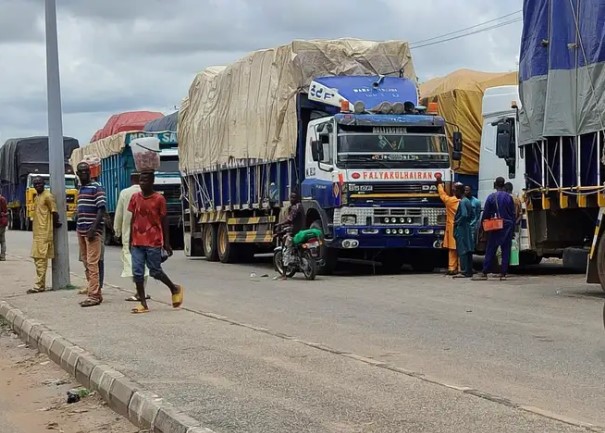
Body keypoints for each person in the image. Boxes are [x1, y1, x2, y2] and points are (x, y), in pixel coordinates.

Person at [128, 171, 183, 314]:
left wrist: (167, 242)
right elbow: (133, 218)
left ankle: (174, 288)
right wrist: (130, 239)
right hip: (137, 241)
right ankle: (143, 303)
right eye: (141, 180)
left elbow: (164, 220)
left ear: (152, 181)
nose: (142, 183)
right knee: (137, 272)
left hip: (153, 241)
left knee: (155, 271)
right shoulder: (135, 198)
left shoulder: (159, 199)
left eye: (145, 180)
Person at [114, 173, 150, 302]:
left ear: (131, 180)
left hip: (129, 233)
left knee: (132, 262)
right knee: (144, 262)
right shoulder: (149, 192)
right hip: (147, 233)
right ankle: (143, 291)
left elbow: (119, 214)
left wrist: (116, 230)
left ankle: (138, 292)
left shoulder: (125, 193)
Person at [76, 162, 106, 307]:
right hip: (81, 230)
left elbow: (101, 209)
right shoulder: (80, 189)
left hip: (92, 231)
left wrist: (94, 228)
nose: (84, 174)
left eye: (86, 171)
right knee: (86, 262)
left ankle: (93, 295)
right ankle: (96, 291)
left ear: (90, 172)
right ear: (77, 173)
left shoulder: (96, 187)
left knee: (93, 263)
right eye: (81, 172)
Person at [475, 177, 516, 280]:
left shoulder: (491, 197)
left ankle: (484, 272)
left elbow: (486, 214)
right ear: (504, 184)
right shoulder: (509, 197)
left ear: (495, 185)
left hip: (496, 225)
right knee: (506, 250)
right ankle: (503, 274)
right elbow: (513, 213)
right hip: (508, 225)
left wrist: (482, 227)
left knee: (491, 249)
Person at [28, 177, 61, 293]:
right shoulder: (37, 197)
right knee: (37, 259)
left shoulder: (48, 196)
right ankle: (40, 284)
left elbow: (54, 212)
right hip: (37, 233)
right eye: (35, 184)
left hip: (44, 233)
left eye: (40, 183)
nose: (38, 185)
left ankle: (39, 286)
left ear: (44, 184)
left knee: (41, 260)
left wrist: (56, 223)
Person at [275, 190, 305, 272]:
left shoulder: (295, 208)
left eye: (293, 197)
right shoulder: (301, 206)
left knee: (286, 250)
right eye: (291, 197)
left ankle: (284, 274)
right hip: (302, 230)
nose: (291, 199)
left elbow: (289, 220)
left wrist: (279, 224)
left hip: (295, 232)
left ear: (297, 199)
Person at [437, 179, 461, 275]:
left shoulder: (450, 201)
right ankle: (460, 268)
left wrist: (439, 184)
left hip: (452, 227)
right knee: (461, 249)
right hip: (462, 227)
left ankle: (452, 268)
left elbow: (442, 195)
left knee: (452, 249)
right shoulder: (466, 202)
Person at [453, 184, 474, 278]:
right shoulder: (468, 201)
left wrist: (457, 222)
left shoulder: (462, 202)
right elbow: (471, 215)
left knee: (462, 250)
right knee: (468, 249)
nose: (454, 193)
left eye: (455, 190)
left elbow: (464, 215)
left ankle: (464, 271)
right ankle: (469, 271)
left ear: (459, 191)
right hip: (467, 227)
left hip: (461, 228)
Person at [0, 192, 7, 261]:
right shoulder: (3, 199)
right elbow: (5, 210)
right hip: (2, 222)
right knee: (2, 240)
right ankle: (2, 256)